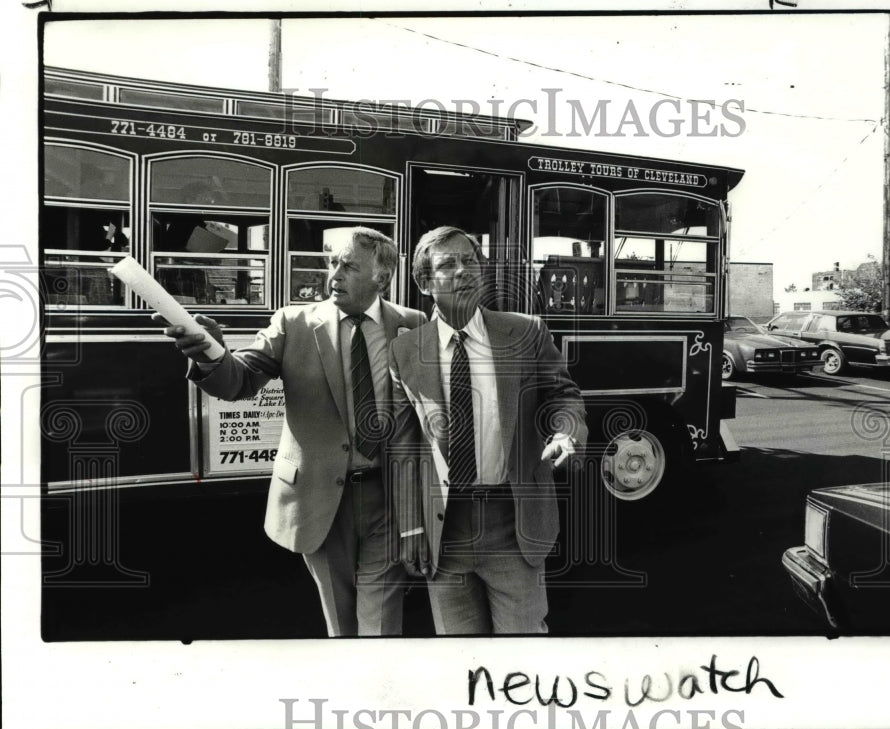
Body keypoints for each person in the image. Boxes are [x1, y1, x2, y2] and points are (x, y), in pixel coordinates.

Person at [156, 227, 426, 637]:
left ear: (382, 277)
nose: (333, 276)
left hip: (386, 499)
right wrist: (211, 353)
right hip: (318, 498)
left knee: (382, 625)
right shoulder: (293, 323)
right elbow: (238, 382)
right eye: (331, 263)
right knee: (341, 625)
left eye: (349, 266)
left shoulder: (412, 324)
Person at [388, 226, 587, 634]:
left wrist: (567, 433)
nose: (464, 271)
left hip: (511, 521)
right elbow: (404, 445)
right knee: (461, 657)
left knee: (521, 655)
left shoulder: (525, 332)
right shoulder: (405, 350)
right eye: (448, 264)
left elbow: (562, 396)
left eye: (471, 261)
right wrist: (411, 525)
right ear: (425, 283)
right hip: (445, 530)